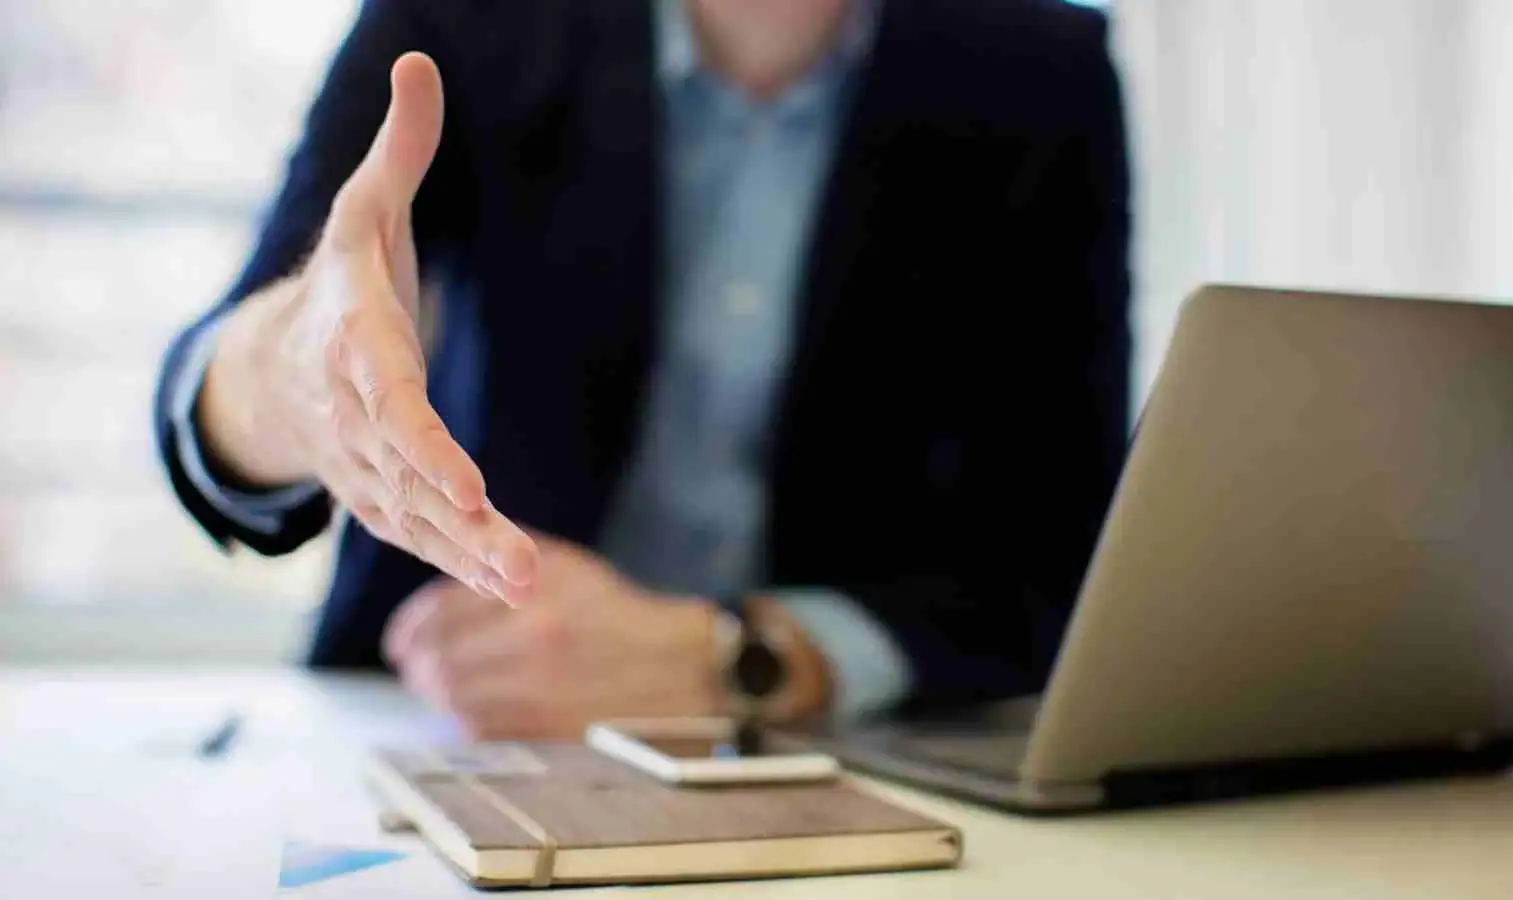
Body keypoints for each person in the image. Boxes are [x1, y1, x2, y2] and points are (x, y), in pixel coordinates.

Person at [153, 0, 1131, 738]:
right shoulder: (460, 17)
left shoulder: (1041, 69)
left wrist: (744, 659)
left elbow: (1063, 567)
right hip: (447, 718)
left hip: (834, 755)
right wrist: (295, 371)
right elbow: (210, 404)